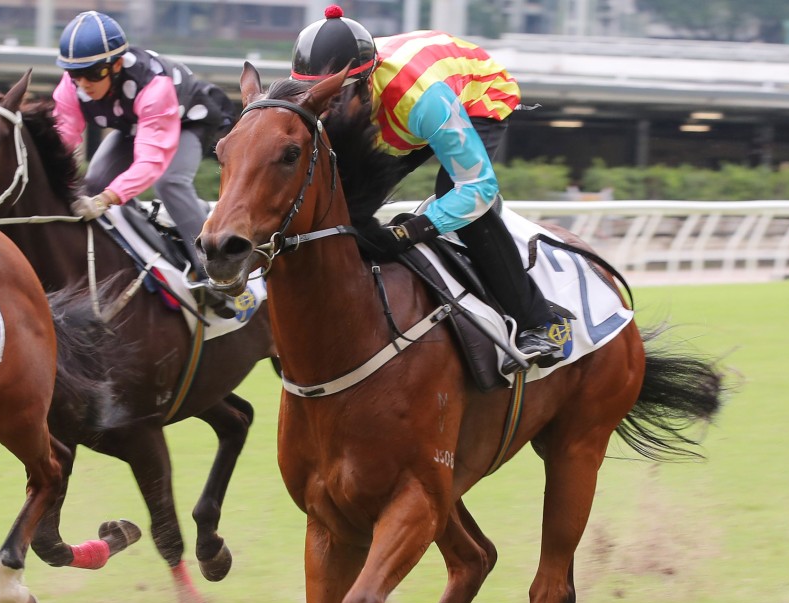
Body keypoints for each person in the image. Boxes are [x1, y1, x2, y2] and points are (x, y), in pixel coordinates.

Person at [290, 6, 561, 364]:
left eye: (337, 96)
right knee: (347, 206)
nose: (327, 110)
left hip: (475, 93)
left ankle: (540, 324)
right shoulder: (316, 99)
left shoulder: (422, 100)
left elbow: (477, 189)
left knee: (459, 200)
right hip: (395, 110)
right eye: (318, 96)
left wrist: (410, 232)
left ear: (367, 82)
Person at [53, 11, 233, 248]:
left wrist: (106, 199)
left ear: (117, 64)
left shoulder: (153, 86)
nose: (84, 84)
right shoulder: (70, 87)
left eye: (94, 73)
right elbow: (61, 142)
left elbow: (150, 162)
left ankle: (210, 264)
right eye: (76, 74)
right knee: (95, 182)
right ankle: (136, 248)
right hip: (138, 124)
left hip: (189, 120)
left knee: (169, 182)